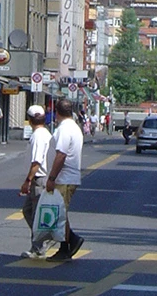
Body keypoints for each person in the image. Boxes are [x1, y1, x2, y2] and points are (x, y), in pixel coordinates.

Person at [44, 98, 85, 262]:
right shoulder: (74, 127)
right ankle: (70, 241)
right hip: (69, 176)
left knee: (59, 214)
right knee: (61, 213)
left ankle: (66, 246)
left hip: (64, 177)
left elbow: (61, 155)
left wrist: (52, 177)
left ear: (57, 112)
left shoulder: (64, 129)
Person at [20, 105, 51, 258]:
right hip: (40, 178)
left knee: (35, 214)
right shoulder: (44, 133)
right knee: (29, 211)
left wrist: (28, 180)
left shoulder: (39, 135)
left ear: (30, 120)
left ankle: (39, 247)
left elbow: (37, 161)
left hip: (39, 178)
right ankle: (41, 241)